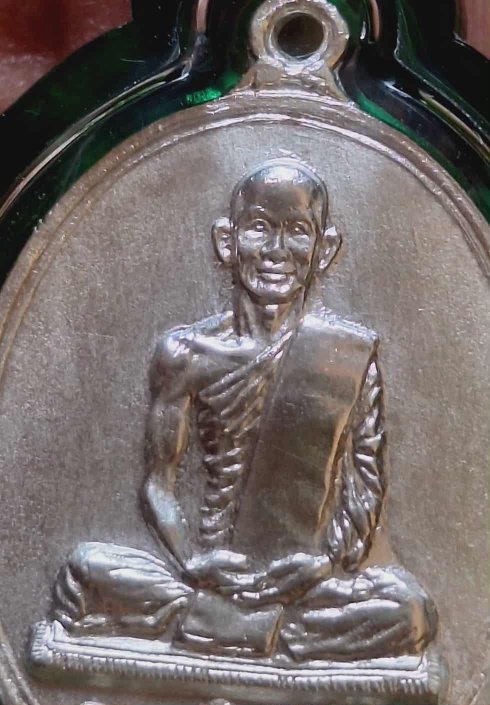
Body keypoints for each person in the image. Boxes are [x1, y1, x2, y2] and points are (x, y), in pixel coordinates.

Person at [50, 159, 437, 660]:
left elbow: (364, 492)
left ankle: (220, 629)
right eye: (259, 227)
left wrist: (322, 563)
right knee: (84, 570)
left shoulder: (349, 356)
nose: (277, 250)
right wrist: (193, 560)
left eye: (297, 231)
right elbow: (158, 485)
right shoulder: (186, 354)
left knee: (410, 611)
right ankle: (260, 633)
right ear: (226, 242)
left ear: (324, 250)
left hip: (305, 585)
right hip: (206, 572)